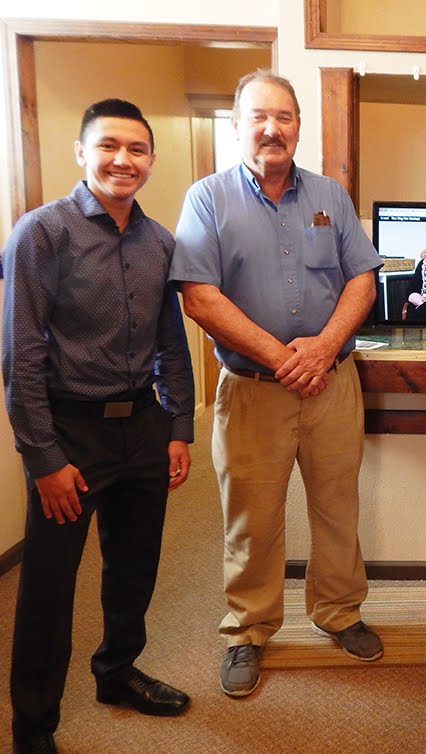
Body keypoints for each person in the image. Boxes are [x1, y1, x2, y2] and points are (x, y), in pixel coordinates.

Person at [169, 69, 384, 699]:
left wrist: (319, 351)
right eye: (259, 117)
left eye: (284, 117)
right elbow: (200, 296)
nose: (272, 128)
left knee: (338, 507)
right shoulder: (207, 198)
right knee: (251, 520)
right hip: (251, 392)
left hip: (332, 385)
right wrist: (284, 357)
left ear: (298, 126)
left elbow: (362, 280)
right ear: (237, 126)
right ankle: (249, 629)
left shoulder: (329, 195)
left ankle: (339, 612)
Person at [2, 99, 195, 754]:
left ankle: (117, 673)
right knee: (48, 592)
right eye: (108, 146)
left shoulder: (160, 241)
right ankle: (33, 728)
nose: (123, 160)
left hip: (142, 426)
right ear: (81, 153)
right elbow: (21, 358)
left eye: (137, 150)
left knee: (134, 567)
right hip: (69, 435)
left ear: (150, 160)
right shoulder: (42, 233)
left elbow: (174, 344)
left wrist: (178, 428)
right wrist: (42, 458)